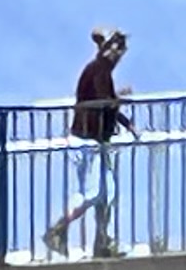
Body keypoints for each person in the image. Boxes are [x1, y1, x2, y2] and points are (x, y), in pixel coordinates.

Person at [40, 28, 134, 257]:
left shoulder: (101, 71)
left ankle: (102, 242)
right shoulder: (99, 71)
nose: (119, 54)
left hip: (95, 140)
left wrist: (125, 121)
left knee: (107, 192)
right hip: (87, 141)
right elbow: (105, 101)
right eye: (117, 49)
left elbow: (106, 101)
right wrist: (120, 100)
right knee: (93, 192)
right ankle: (57, 230)